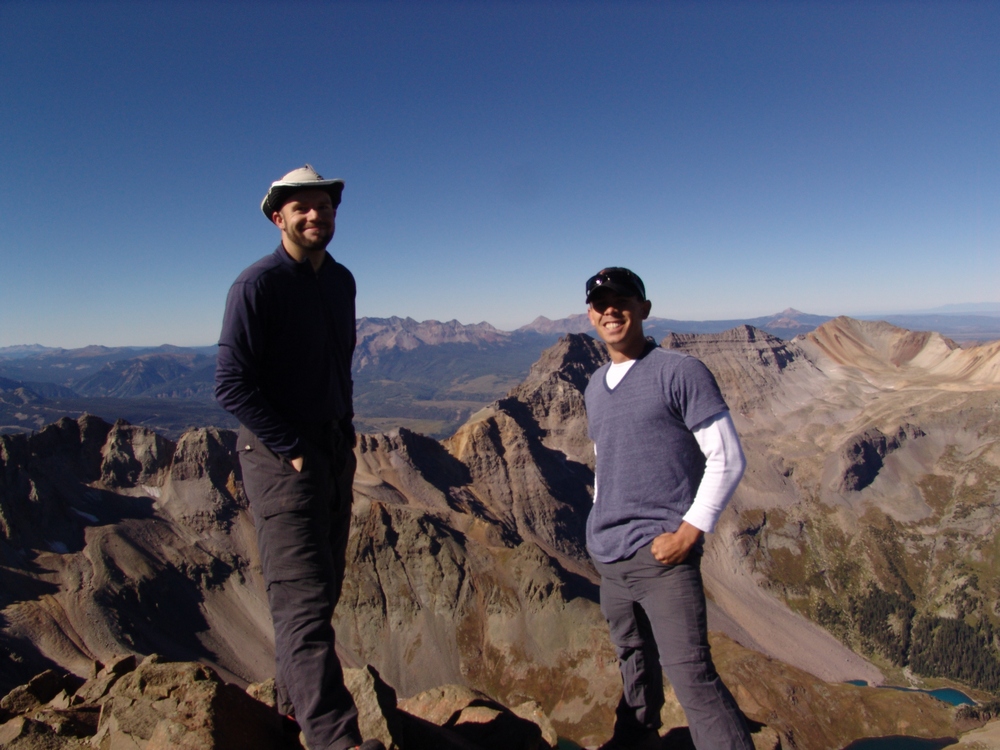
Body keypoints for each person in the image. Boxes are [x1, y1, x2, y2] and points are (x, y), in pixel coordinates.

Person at [215, 165, 384, 750]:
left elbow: (338, 362)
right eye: (302, 208)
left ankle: (290, 717)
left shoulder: (341, 281)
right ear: (277, 217)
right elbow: (231, 384)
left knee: (324, 591)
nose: (317, 215)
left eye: (325, 206)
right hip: (281, 459)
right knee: (303, 606)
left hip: (335, 450)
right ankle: (338, 741)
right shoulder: (256, 285)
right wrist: (290, 450)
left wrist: (345, 433)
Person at [583, 267, 754, 750]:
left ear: (644, 308)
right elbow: (604, 459)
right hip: (610, 558)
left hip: (663, 560)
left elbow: (727, 456)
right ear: (590, 316)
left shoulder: (680, 371)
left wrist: (688, 533)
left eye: (622, 300)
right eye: (601, 303)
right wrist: (598, 521)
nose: (610, 310)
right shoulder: (596, 385)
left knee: (693, 679)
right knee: (633, 664)